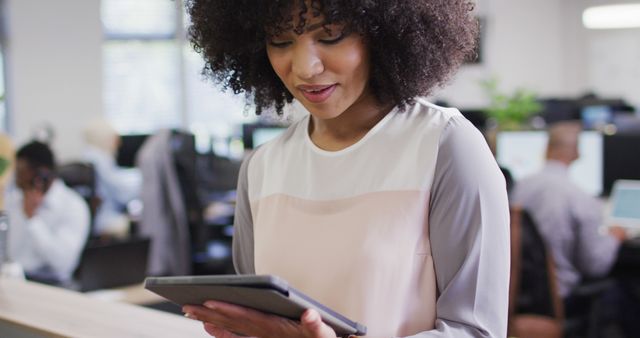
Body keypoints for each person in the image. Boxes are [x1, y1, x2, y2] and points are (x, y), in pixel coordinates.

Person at [183, 1, 510, 337]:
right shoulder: (261, 167)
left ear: (383, 33)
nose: (306, 68)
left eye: (331, 36)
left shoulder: (445, 146)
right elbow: (262, 318)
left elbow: (477, 331)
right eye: (280, 42)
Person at [511, 121, 626, 299]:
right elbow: (595, 266)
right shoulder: (579, 197)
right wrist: (615, 237)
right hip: (558, 294)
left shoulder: (520, 187)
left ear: (547, 148)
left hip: (517, 291)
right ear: (577, 153)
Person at [5, 141, 90, 284]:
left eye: (21, 173)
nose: (16, 180)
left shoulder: (73, 207)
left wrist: (32, 219)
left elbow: (62, 263)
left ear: (42, 175)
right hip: (16, 280)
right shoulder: (14, 200)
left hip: (54, 285)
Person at [82, 118, 141, 237]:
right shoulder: (98, 158)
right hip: (103, 219)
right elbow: (122, 192)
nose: (119, 143)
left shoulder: (91, 155)